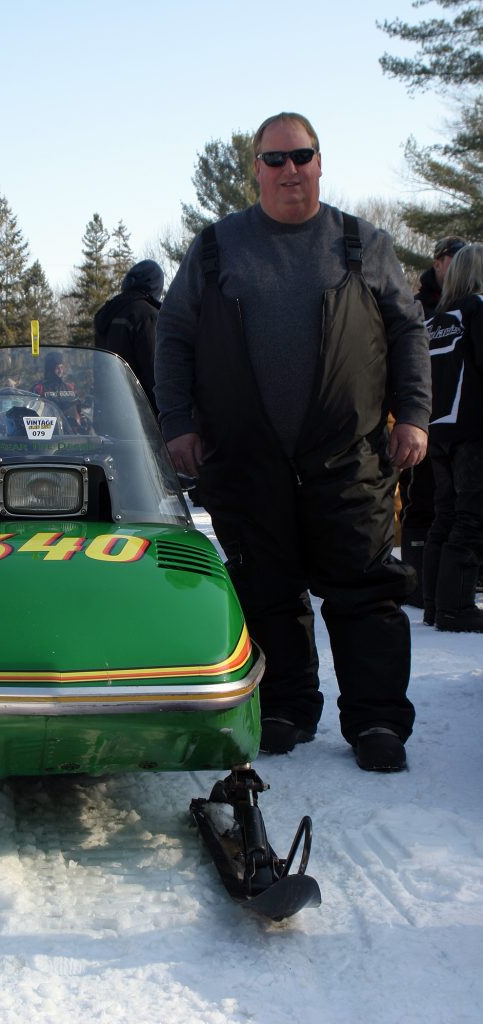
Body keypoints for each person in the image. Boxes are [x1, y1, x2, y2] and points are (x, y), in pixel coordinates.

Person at [154, 111, 431, 772]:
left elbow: (406, 332)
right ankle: (282, 704)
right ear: (255, 168)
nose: (288, 171)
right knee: (265, 589)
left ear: (318, 162)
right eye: (273, 159)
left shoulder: (362, 243)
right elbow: (173, 336)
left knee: (364, 589)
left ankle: (375, 722)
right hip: (245, 457)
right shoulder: (216, 247)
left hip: (350, 454)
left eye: (299, 156)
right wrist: (176, 423)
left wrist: (414, 414)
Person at [400, 235, 468, 608]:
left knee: (454, 502)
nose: (454, 265)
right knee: (421, 496)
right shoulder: (418, 306)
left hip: (457, 420)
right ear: (438, 262)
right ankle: (418, 583)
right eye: (450, 258)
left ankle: (443, 582)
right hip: (422, 418)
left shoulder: (466, 306)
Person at [421, 244, 483, 632]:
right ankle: (456, 607)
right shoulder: (478, 309)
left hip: (437, 428)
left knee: (445, 514)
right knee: (472, 517)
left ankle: (434, 603)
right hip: (473, 429)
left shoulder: (437, 319)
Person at [94, 260, 164, 412]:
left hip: (107, 410)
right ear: (155, 285)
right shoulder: (147, 315)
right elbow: (154, 371)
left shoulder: (106, 313)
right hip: (139, 417)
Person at [33, 350, 82, 431]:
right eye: (57, 368)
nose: (60, 371)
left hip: (72, 435)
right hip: (51, 435)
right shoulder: (40, 388)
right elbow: (34, 415)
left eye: (61, 367)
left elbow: (78, 410)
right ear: (50, 369)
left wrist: (81, 422)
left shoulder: (69, 387)